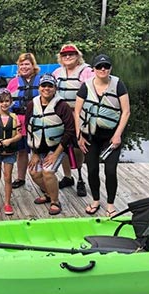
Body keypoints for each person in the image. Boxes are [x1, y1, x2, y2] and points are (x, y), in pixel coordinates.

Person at [75, 54, 131, 217]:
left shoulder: (118, 84)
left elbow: (126, 111)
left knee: (110, 170)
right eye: (99, 67)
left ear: (110, 68)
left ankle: (111, 204)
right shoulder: (86, 86)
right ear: (93, 69)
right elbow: (77, 112)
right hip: (90, 136)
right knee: (92, 170)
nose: (103, 69)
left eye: (106, 66)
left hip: (111, 137)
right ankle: (95, 200)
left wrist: (118, 135)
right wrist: (79, 136)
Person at [26, 74, 76, 216]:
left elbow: (70, 130)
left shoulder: (62, 106)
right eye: (44, 86)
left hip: (57, 147)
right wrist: (34, 152)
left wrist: (56, 153)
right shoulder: (32, 105)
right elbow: (28, 127)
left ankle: (55, 201)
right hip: (38, 147)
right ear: (39, 87)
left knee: (48, 172)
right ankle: (48, 193)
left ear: (55, 88)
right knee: (34, 173)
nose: (46, 89)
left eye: (50, 86)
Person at [52, 44, 93, 196]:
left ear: (78, 56)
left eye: (71, 54)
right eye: (64, 55)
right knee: (63, 145)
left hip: (79, 114)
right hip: (62, 114)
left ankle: (81, 178)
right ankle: (68, 176)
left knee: (78, 147)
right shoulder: (57, 72)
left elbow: (94, 91)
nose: (68, 57)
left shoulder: (86, 71)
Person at [6, 53, 40, 189]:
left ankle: (41, 177)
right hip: (18, 121)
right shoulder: (13, 83)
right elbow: (6, 103)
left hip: (37, 121)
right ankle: (21, 178)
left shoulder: (41, 80)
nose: (24, 67)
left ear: (33, 65)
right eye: (21, 64)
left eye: (27, 64)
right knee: (21, 151)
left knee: (38, 150)